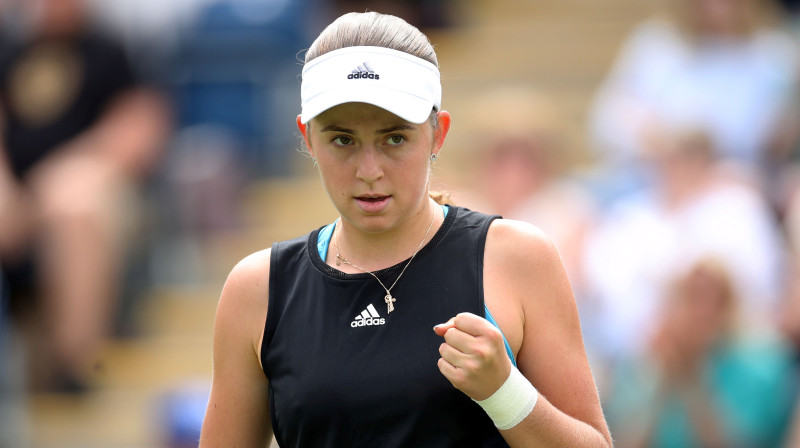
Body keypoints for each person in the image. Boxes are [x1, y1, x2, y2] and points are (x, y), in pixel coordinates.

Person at [199, 11, 611, 448]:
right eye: (343, 140)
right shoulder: (257, 288)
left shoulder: (515, 257)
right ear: (307, 137)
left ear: (438, 134)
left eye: (395, 138)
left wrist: (505, 392)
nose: (369, 170)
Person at [0, 0, 170, 390]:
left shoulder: (112, 48)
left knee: (73, 207)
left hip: (92, 189)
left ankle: (72, 365)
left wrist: (65, 169)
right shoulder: (10, 48)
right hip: (19, 194)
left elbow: (139, 129)